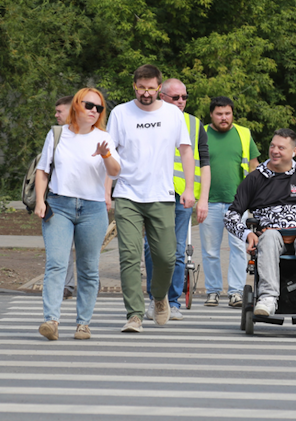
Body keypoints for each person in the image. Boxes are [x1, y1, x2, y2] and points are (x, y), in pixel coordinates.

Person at [106, 64, 195, 333]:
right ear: (134, 86)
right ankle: (134, 314)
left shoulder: (172, 114)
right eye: (140, 87)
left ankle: (159, 297)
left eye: (151, 88)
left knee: (167, 257)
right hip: (127, 195)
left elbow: (187, 151)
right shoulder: (120, 113)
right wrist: (106, 193)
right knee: (130, 255)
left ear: (159, 87)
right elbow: (108, 154)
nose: (146, 93)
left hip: (162, 195)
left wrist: (189, 189)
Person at [35, 88, 121, 341]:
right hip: (59, 206)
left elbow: (115, 171)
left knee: (88, 269)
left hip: (92, 209)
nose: (94, 110)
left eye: (99, 108)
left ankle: (83, 323)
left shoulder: (104, 137)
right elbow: (43, 170)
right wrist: (40, 201)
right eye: (89, 105)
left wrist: (105, 154)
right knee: (56, 264)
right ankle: (51, 321)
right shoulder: (57, 134)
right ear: (76, 105)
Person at [225, 129, 296, 316]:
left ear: (294, 151)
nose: (275, 151)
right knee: (269, 237)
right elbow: (230, 216)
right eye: (272, 146)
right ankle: (268, 297)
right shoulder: (255, 179)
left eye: (281, 147)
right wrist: (248, 234)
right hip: (270, 234)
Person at [143, 78, 210, 322]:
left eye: (184, 97)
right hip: (152, 194)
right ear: (162, 96)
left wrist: (202, 198)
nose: (181, 102)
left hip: (182, 196)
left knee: (177, 251)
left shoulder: (194, 123)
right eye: (176, 97)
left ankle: (172, 302)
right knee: (152, 249)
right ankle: (154, 299)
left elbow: (205, 162)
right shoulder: (147, 118)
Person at [201, 96, 259, 309]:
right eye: (219, 114)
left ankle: (235, 292)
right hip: (209, 202)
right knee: (210, 250)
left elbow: (254, 168)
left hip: (238, 204)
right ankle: (213, 291)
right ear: (211, 115)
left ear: (232, 113)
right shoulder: (202, 133)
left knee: (237, 247)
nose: (224, 118)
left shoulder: (244, 134)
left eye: (227, 113)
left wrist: (255, 200)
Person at [54, 95, 78, 300]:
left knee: (87, 250)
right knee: (62, 246)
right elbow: (45, 168)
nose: (56, 115)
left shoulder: (93, 134)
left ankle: (89, 284)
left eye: (60, 111)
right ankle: (66, 285)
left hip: (88, 202)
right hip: (60, 200)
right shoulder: (56, 135)